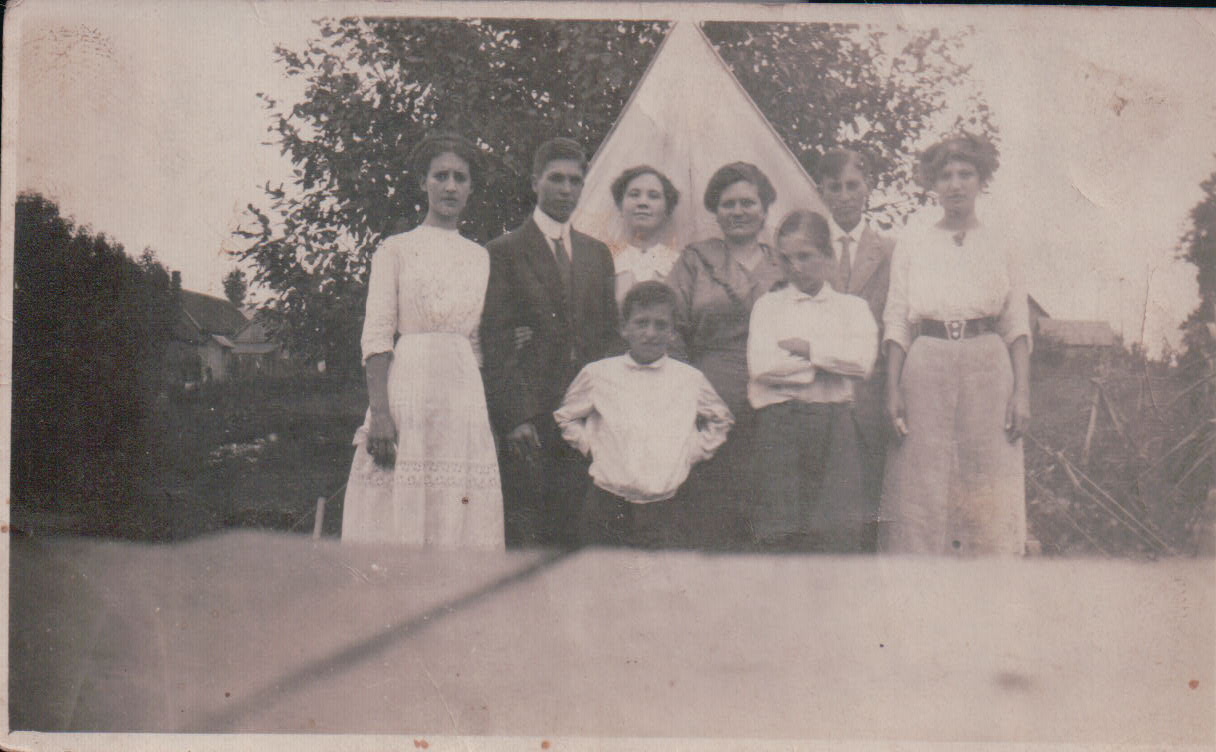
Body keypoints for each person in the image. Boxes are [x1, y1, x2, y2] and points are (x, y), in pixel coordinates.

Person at [342, 132, 504, 548]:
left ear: (471, 188)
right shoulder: (395, 250)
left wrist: (482, 416)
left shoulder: (480, 257)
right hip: (408, 393)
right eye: (440, 176)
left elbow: (477, 343)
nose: (450, 187)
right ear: (423, 182)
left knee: (459, 511)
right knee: (398, 512)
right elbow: (377, 337)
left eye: (460, 178)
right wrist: (380, 413)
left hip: (462, 399)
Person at [879, 133, 1031, 556]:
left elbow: (1016, 322)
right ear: (933, 183)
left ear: (982, 180)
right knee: (920, 481)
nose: (956, 184)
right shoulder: (913, 240)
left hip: (988, 365)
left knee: (988, 476)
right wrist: (892, 389)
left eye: (966, 174)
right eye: (945, 175)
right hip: (926, 364)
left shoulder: (1003, 240)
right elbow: (897, 318)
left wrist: (1022, 392)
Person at [480, 137, 620, 548]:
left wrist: (602, 406)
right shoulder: (504, 252)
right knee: (529, 534)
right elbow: (496, 340)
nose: (566, 189)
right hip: (533, 415)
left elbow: (609, 335)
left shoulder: (597, 254)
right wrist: (515, 417)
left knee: (579, 531)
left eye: (575, 181)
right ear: (535, 182)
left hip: (585, 415)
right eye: (556, 179)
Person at [554, 281, 734, 548]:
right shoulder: (598, 374)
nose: (650, 333)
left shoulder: (689, 379)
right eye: (641, 323)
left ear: (673, 332)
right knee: (605, 570)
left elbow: (721, 419)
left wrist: (691, 451)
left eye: (661, 325)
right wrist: (592, 446)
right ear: (624, 328)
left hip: (665, 507)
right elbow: (566, 416)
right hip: (608, 503)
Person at [666, 162, 784, 549]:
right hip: (709, 397)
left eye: (748, 203)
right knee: (710, 512)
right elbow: (670, 326)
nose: (738, 211)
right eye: (728, 204)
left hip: (776, 400)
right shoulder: (695, 260)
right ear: (715, 212)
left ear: (764, 209)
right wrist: (688, 393)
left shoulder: (784, 263)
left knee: (767, 510)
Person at [747, 210, 878, 551]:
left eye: (805, 256)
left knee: (835, 531)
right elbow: (761, 367)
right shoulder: (768, 306)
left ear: (828, 255)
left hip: (834, 423)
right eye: (786, 258)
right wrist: (826, 364)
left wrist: (807, 350)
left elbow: (861, 363)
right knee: (780, 530)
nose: (795, 267)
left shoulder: (852, 308)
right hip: (779, 425)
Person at [815, 147, 896, 550]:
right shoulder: (808, 248)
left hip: (870, 395)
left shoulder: (891, 251)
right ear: (821, 192)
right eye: (835, 187)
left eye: (853, 185)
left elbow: (897, 324)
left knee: (868, 503)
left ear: (868, 187)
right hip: (817, 391)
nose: (845, 196)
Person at [610, 165, 681, 307]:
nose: (643, 203)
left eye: (653, 196)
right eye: (634, 194)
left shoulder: (680, 265)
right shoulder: (606, 262)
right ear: (620, 206)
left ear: (667, 209)